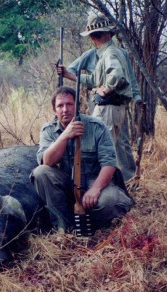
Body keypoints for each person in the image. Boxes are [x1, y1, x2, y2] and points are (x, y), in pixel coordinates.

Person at [30, 86, 134, 233]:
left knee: (110, 202)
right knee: (40, 172)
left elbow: (109, 163)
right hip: (65, 183)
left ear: (77, 106)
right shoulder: (48, 130)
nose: (65, 109)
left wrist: (95, 189)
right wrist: (65, 135)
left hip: (94, 181)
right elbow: (46, 161)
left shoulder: (96, 126)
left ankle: (95, 225)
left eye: (69, 104)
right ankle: (64, 226)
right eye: (60, 105)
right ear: (55, 110)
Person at [57, 13, 141, 181]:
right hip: (112, 107)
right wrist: (68, 74)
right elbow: (95, 80)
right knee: (107, 144)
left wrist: (106, 89)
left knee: (101, 146)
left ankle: (104, 184)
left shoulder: (110, 53)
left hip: (108, 107)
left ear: (94, 36)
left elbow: (116, 76)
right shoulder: (109, 52)